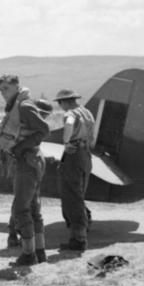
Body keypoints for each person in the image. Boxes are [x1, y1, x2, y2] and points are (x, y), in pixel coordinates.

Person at [0, 74, 50, 266]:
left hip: (27, 161)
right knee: (33, 209)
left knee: (21, 209)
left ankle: (28, 254)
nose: (3, 92)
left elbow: (44, 129)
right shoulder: (17, 105)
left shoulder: (24, 107)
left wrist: (19, 148)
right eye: (1, 89)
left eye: (6, 88)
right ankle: (40, 252)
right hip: (28, 160)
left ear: (17, 87)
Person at [54, 88, 95, 252]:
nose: (60, 106)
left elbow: (69, 123)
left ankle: (78, 240)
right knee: (78, 194)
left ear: (64, 101)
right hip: (86, 155)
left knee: (71, 196)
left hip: (74, 154)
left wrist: (66, 141)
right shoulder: (87, 113)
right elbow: (92, 135)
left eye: (60, 103)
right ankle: (82, 231)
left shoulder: (70, 113)